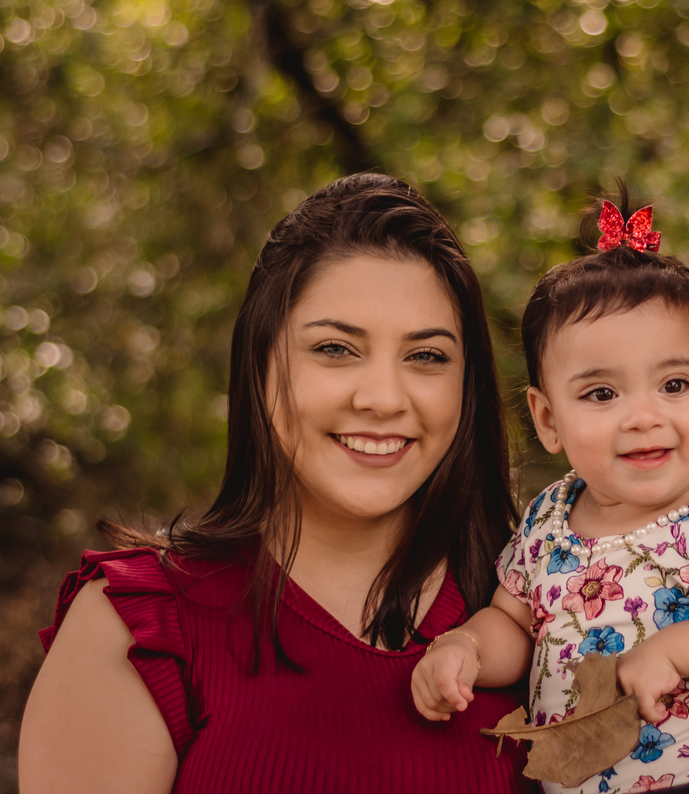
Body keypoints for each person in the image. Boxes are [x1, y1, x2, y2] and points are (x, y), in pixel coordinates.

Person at [18, 173, 536, 793]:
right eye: (336, 348)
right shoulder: (141, 629)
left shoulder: (549, 606)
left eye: (425, 357)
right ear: (261, 362)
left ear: (467, 387)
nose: (381, 398)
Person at [410, 196, 689, 794]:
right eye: (602, 394)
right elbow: (514, 622)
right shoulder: (548, 520)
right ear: (547, 418)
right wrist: (466, 648)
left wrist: (676, 650)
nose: (642, 416)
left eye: (674, 384)